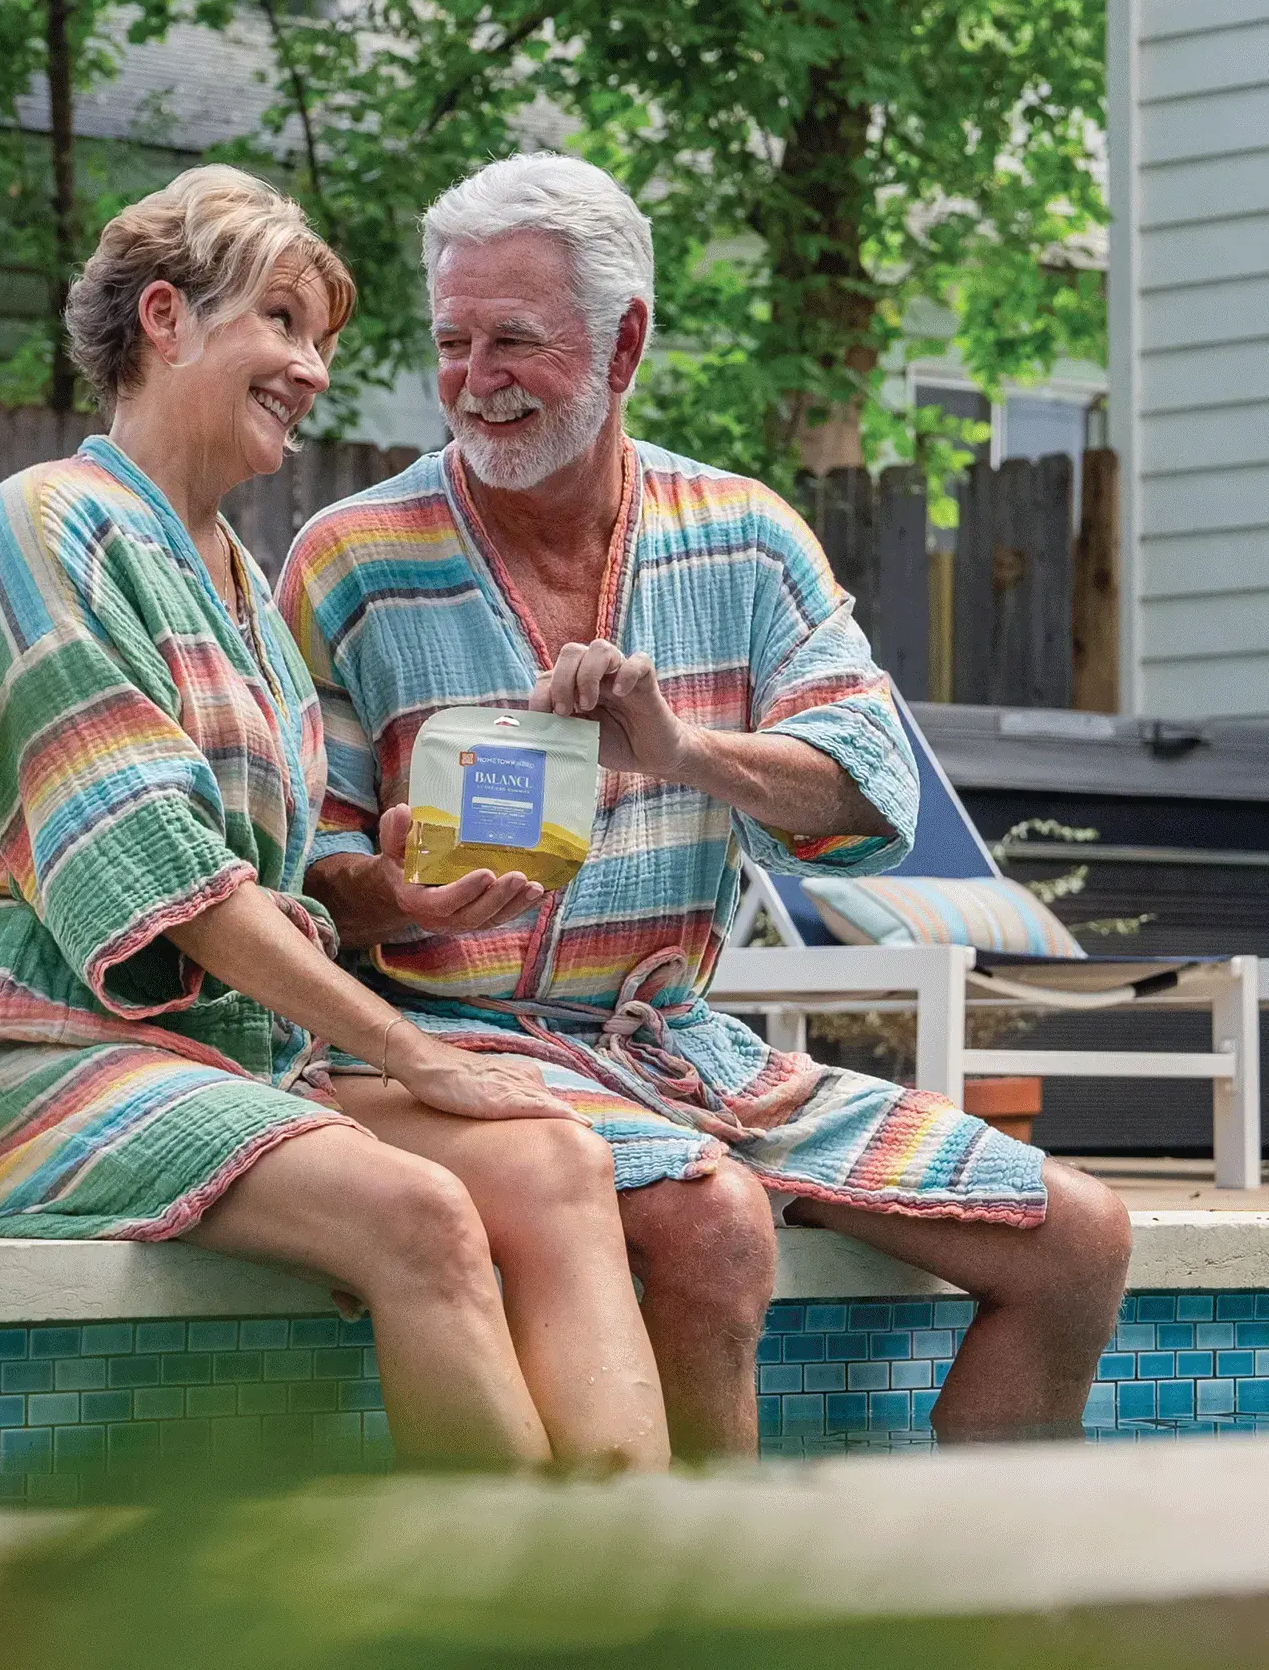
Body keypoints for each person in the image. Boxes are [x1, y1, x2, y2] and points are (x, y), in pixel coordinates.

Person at [278, 154, 1133, 1458]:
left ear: (625, 344)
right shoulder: (352, 558)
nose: (474, 377)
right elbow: (298, 865)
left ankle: (1001, 1615)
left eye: (516, 339)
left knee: (1078, 1242)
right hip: (455, 1057)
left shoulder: (741, 537)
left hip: (681, 1047)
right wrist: (387, 891)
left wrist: (682, 751)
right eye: (453, 342)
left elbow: (869, 794)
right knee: (711, 1220)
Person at [0, 165, 670, 1474]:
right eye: (283, 323)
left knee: (556, 1161)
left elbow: (276, 878)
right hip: (4, 1057)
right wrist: (413, 1053)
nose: (313, 369)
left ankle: (644, 1588)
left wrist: (396, 896)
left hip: (215, 1058)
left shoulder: (238, 581)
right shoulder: (49, 527)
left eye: (323, 343)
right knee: (421, 1218)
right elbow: (168, 881)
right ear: (165, 317)